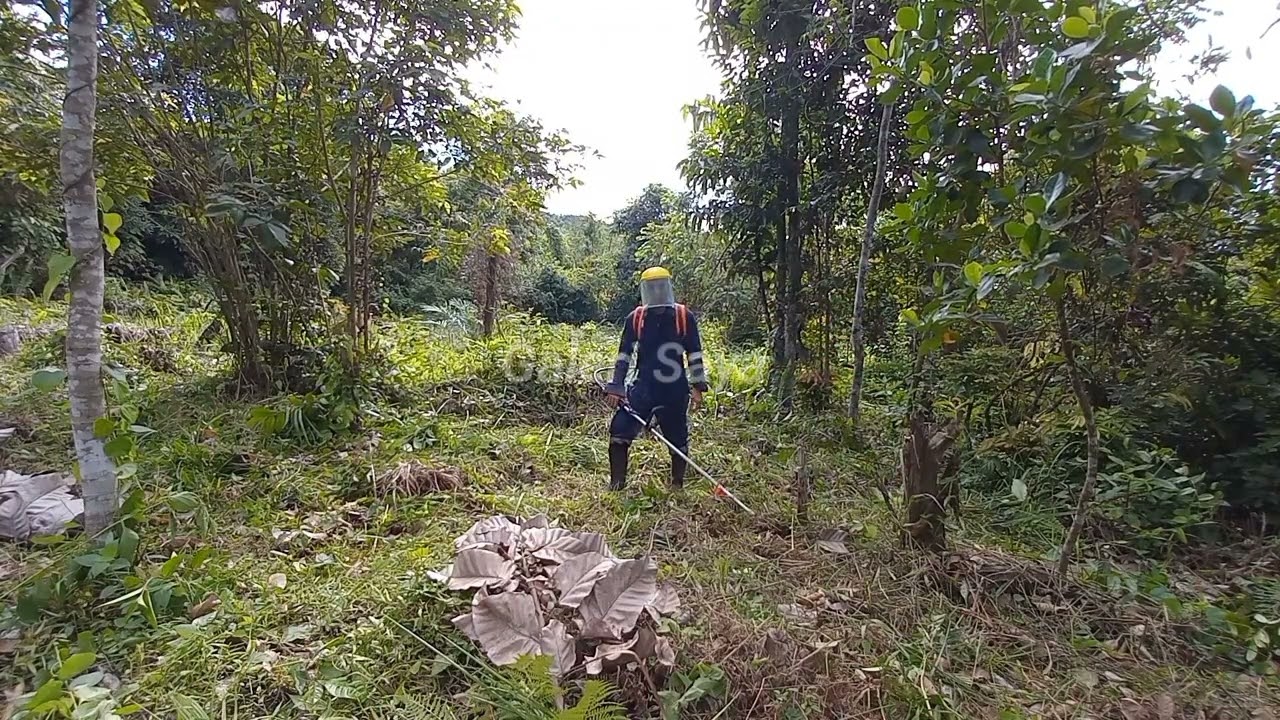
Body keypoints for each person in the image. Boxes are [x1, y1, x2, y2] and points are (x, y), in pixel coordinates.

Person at [603, 266, 709, 491]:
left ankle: (677, 485)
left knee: (677, 439)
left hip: (675, 390)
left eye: (661, 286)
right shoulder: (637, 318)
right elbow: (624, 354)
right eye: (652, 287)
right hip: (643, 388)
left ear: (668, 287)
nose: (657, 291)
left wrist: (698, 387)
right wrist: (616, 387)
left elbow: (694, 353)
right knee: (619, 431)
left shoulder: (683, 316)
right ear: (645, 290)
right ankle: (616, 485)